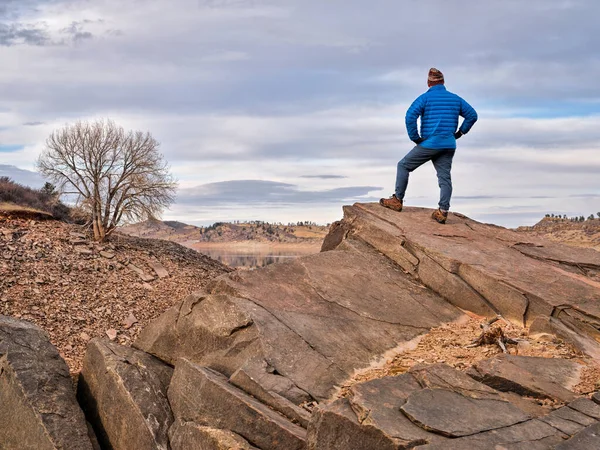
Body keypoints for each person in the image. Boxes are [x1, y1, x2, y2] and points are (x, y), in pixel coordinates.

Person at [380, 68, 478, 224]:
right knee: (444, 178)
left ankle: (397, 200)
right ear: (443, 82)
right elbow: (472, 115)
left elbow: (410, 116)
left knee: (403, 166)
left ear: (428, 82)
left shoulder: (425, 98)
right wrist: (460, 133)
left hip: (430, 143)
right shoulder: (455, 99)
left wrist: (415, 138)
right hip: (448, 144)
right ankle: (443, 211)